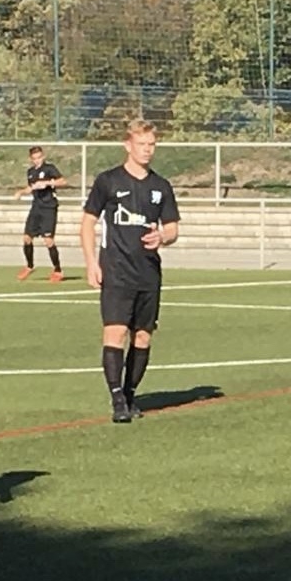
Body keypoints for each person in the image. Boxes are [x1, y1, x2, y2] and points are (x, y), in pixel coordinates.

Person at [80, 119, 180, 423]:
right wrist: (91, 262)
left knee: (143, 337)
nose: (147, 150)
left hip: (148, 273)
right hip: (116, 269)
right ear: (128, 145)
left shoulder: (161, 187)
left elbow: (173, 228)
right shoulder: (108, 181)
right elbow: (87, 223)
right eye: (141, 144)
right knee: (116, 331)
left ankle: (130, 393)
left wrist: (163, 237)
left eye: (151, 145)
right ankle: (117, 400)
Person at [14, 146, 67, 282]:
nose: (37, 160)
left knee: (48, 240)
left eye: (39, 157)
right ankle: (29, 266)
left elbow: (63, 181)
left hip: (49, 207)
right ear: (31, 159)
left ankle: (58, 270)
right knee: (27, 237)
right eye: (35, 158)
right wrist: (21, 192)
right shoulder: (31, 172)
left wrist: (48, 183)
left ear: (43, 157)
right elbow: (31, 188)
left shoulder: (49, 168)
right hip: (36, 207)